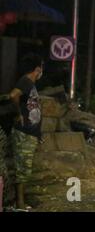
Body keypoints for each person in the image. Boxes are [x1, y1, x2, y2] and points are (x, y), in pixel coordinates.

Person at [9, 53, 44, 211]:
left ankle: (22, 201)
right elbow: (13, 95)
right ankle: (20, 204)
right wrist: (18, 114)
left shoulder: (31, 84)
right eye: (41, 69)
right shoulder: (26, 81)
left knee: (26, 169)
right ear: (37, 69)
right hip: (24, 133)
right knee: (22, 169)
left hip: (31, 133)